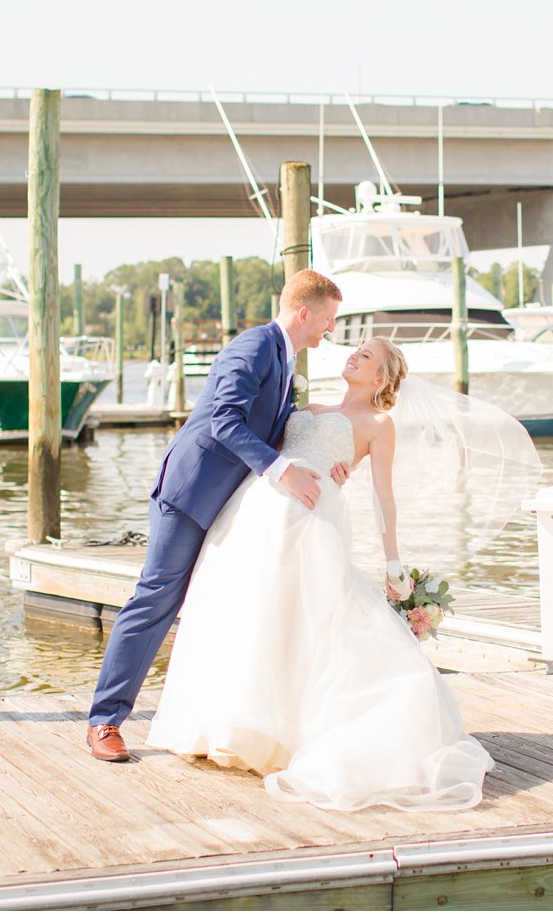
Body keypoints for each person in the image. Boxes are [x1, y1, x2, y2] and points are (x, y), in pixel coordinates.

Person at [145, 337, 495, 812]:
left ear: (381, 378)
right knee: (247, 612)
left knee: (301, 619)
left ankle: (284, 736)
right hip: (258, 512)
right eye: (356, 350)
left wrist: (393, 563)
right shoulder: (309, 405)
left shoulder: (378, 424)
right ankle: (228, 729)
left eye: (366, 356)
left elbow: (383, 496)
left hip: (312, 521)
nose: (354, 355)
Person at [87, 269, 346, 762]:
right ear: (305, 312)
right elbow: (225, 419)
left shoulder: (284, 359)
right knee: (157, 597)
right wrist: (282, 470)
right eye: (328, 320)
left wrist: (325, 460)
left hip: (232, 503)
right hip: (191, 492)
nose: (330, 330)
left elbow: (275, 429)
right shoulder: (253, 347)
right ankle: (104, 720)